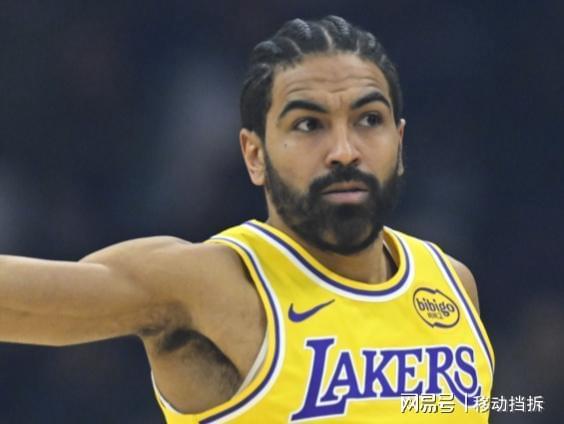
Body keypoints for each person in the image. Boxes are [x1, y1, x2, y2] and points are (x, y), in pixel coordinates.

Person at [0, 16, 494, 423]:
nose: (345, 150)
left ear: (400, 143)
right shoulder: (210, 283)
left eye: (369, 119)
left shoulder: (452, 283)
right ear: (254, 155)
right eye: (309, 124)